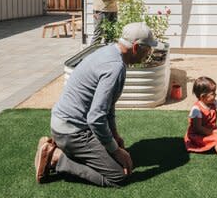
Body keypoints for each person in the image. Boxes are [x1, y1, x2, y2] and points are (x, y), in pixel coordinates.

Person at [34, 22, 159, 187]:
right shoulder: (115, 68)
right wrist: (115, 150)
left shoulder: (108, 51)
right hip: (73, 133)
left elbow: (107, 106)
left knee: (113, 152)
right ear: (135, 47)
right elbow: (96, 118)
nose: (149, 53)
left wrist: (114, 136)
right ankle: (57, 158)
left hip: (62, 125)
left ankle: (62, 148)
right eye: (148, 49)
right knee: (118, 176)